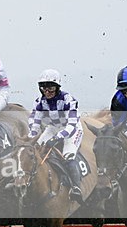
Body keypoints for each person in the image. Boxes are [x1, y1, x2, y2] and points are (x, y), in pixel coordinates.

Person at [27, 69, 84, 203]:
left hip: (72, 129)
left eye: (51, 87)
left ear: (58, 87)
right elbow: (35, 124)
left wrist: (57, 138)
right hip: (53, 128)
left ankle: (76, 187)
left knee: (68, 155)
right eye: (44, 88)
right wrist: (31, 139)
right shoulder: (39, 102)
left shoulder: (68, 99)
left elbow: (71, 125)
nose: (47, 91)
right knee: (36, 149)